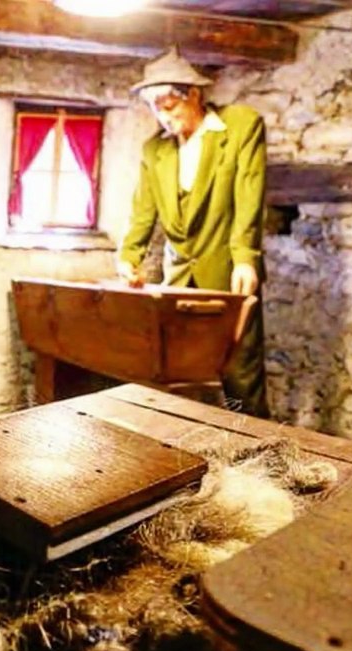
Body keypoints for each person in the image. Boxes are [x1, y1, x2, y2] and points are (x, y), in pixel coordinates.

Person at [116, 47, 270, 418]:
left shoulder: (240, 128)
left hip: (227, 273)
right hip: (179, 277)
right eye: (155, 109)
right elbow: (144, 210)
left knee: (239, 375)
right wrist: (128, 256)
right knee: (180, 376)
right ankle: (187, 451)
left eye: (170, 106)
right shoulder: (155, 150)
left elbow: (250, 192)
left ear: (194, 95)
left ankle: (257, 455)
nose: (163, 117)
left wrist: (245, 258)